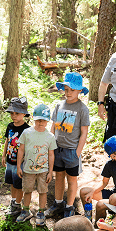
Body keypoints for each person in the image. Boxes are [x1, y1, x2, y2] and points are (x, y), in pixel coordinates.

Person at [45, 72, 90, 219]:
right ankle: (58, 203)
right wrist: (51, 144)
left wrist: (77, 152)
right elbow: (53, 127)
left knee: (71, 180)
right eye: (66, 89)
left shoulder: (82, 109)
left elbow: (84, 132)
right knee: (58, 177)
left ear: (79, 91)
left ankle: (69, 207)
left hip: (72, 151)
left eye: (72, 90)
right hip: (57, 149)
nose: (68, 92)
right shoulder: (59, 105)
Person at [16, 103, 57, 225]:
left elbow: (51, 155)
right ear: (34, 118)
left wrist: (50, 172)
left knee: (42, 191)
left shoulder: (50, 136)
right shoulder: (26, 133)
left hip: (43, 171)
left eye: (44, 120)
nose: (40, 123)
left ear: (48, 121)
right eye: (38, 120)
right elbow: (21, 150)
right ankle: (26, 211)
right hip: (28, 169)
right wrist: (19, 166)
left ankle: (41, 212)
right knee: (27, 190)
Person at [80, 135, 116, 225]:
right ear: (113, 156)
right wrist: (92, 192)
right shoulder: (110, 165)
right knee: (84, 192)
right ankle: (88, 221)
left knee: (100, 204)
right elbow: (104, 182)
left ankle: (98, 226)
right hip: (113, 194)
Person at [2, 96, 30, 217]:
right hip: (10, 160)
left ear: (24, 114)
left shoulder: (27, 130)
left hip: (20, 163)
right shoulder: (10, 126)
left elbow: (28, 148)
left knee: (19, 184)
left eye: (17, 113)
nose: (14, 116)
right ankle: (13, 202)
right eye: (12, 113)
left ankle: (18, 204)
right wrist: (4, 155)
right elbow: (7, 141)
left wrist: (21, 163)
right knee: (12, 182)